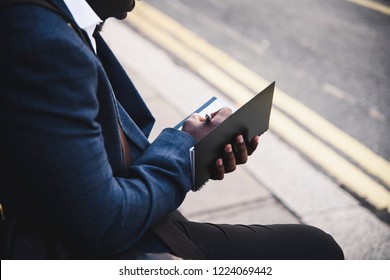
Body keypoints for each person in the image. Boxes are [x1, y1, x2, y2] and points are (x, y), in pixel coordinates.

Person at [0, 0, 344, 260]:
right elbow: (104, 226)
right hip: (80, 253)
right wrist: (183, 150)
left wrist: (196, 152)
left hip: (106, 227)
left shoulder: (53, 19)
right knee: (317, 251)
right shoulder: (43, 41)